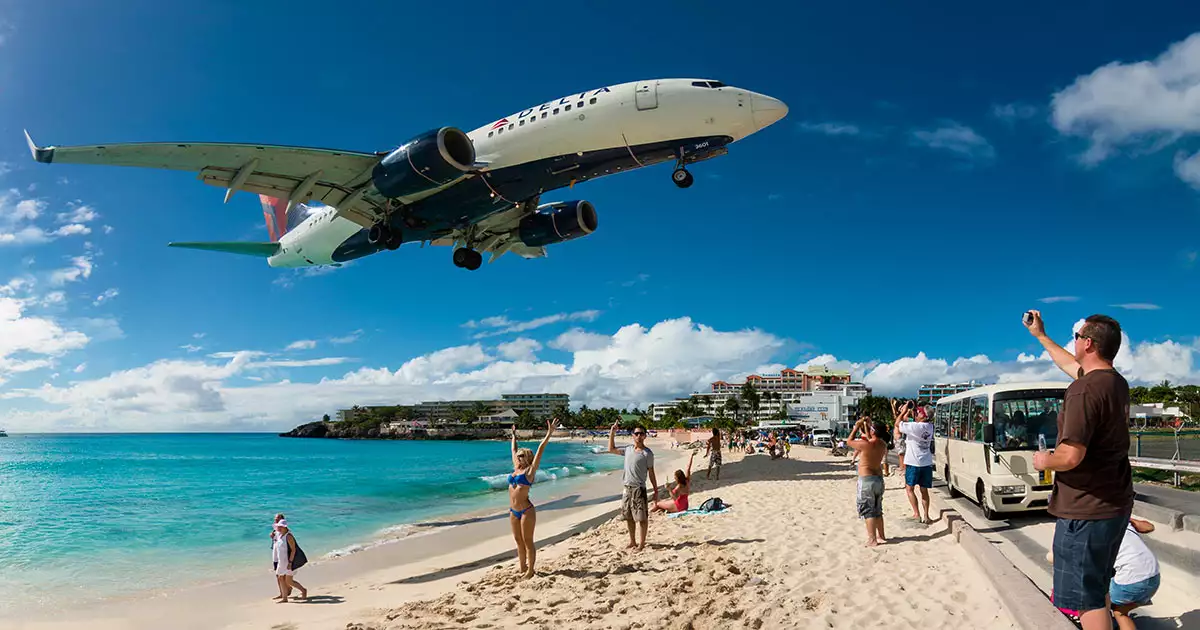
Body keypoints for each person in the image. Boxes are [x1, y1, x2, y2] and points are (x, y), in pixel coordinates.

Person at [1026, 310, 1134, 630]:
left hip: (1086, 509)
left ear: (1088, 343)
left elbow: (1071, 456)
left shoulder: (1083, 390)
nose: (1072, 343)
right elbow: (1071, 366)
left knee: (1085, 600)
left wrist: (1044, 460)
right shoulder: (1114, 382)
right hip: (1114, 503)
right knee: (1097, 587)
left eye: (1075, 337)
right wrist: (1041, 336)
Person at [507, 419, 558, 579]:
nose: (518, 457)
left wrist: (549, 433)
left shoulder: (529, 471)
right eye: (518, 456)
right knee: (518, 540)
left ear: (527, 458)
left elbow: (541, 449)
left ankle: (530, 570)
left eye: (521, 456)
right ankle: (522, 567)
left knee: (527, 540)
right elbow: (513, 449)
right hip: (513, 510)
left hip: (526, 510)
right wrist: (513, 435)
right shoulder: (516, 468)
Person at [608, 422, 659, 550]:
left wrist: (656, 490)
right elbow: (611, 449)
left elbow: (651, 472)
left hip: (639, 489)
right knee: (629, 517)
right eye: (636, 433)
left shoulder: (647, 453)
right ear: (633, 435)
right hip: (627, 488)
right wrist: (612, 432)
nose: (639, 436)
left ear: (645, 436)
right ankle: (632, 541)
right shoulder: (628, 450)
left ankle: (641, 544)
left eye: (641, 434)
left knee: (642, 518)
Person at [1110, 518, 1160, 630]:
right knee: (1120, 608)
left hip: (1131, 583)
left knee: (1103, 603)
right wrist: (1127, 519)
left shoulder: (1095, 527)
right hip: (1154, 578)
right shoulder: (1120, 519)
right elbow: (1149, 527)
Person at [847, 416, 889, 547]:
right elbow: (871, 438)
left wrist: (856, 427)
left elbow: (849, 441)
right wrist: (867, 425)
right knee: (878, 509)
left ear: (873, 431)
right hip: (878, 480)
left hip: (866, 479)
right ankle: (881, 536)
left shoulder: (866, 444)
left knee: (868, 510)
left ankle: (872, 539)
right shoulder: (883, 444)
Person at [895, 406, 935, 523]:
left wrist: (903, 411)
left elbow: (897, 423)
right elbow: (909, 421)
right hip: (926, 462)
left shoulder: (915, 427)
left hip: (913, 462)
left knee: (909, 489)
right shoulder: (929, 426)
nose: (916, 413)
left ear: (924, 416)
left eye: (919, 412)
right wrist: (909, 413)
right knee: (924, 490)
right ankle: (926, 516)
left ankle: (917, 514)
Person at [271, 519, 305, 603]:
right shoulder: (280, 535)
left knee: (287, 580)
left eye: (280, 527)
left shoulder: (288, 536)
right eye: (278, 527)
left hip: (287, 561)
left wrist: (290, 562)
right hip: (281, 561)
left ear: (285, 527)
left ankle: (302, 591)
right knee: (283, 579)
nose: (278, 528)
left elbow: (293, 550)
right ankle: (285, 597)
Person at [891, 399, 912, 477]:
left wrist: (907, 411)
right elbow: (895, 414)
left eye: (901, 407)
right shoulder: (900, 416)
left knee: (902, 455)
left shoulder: (904, 416)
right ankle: (901, 467)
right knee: (900, 454)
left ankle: (904, 468)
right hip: (897, 439)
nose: (900, 408)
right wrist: (893, 405)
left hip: (900, 438)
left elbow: (904, 419)